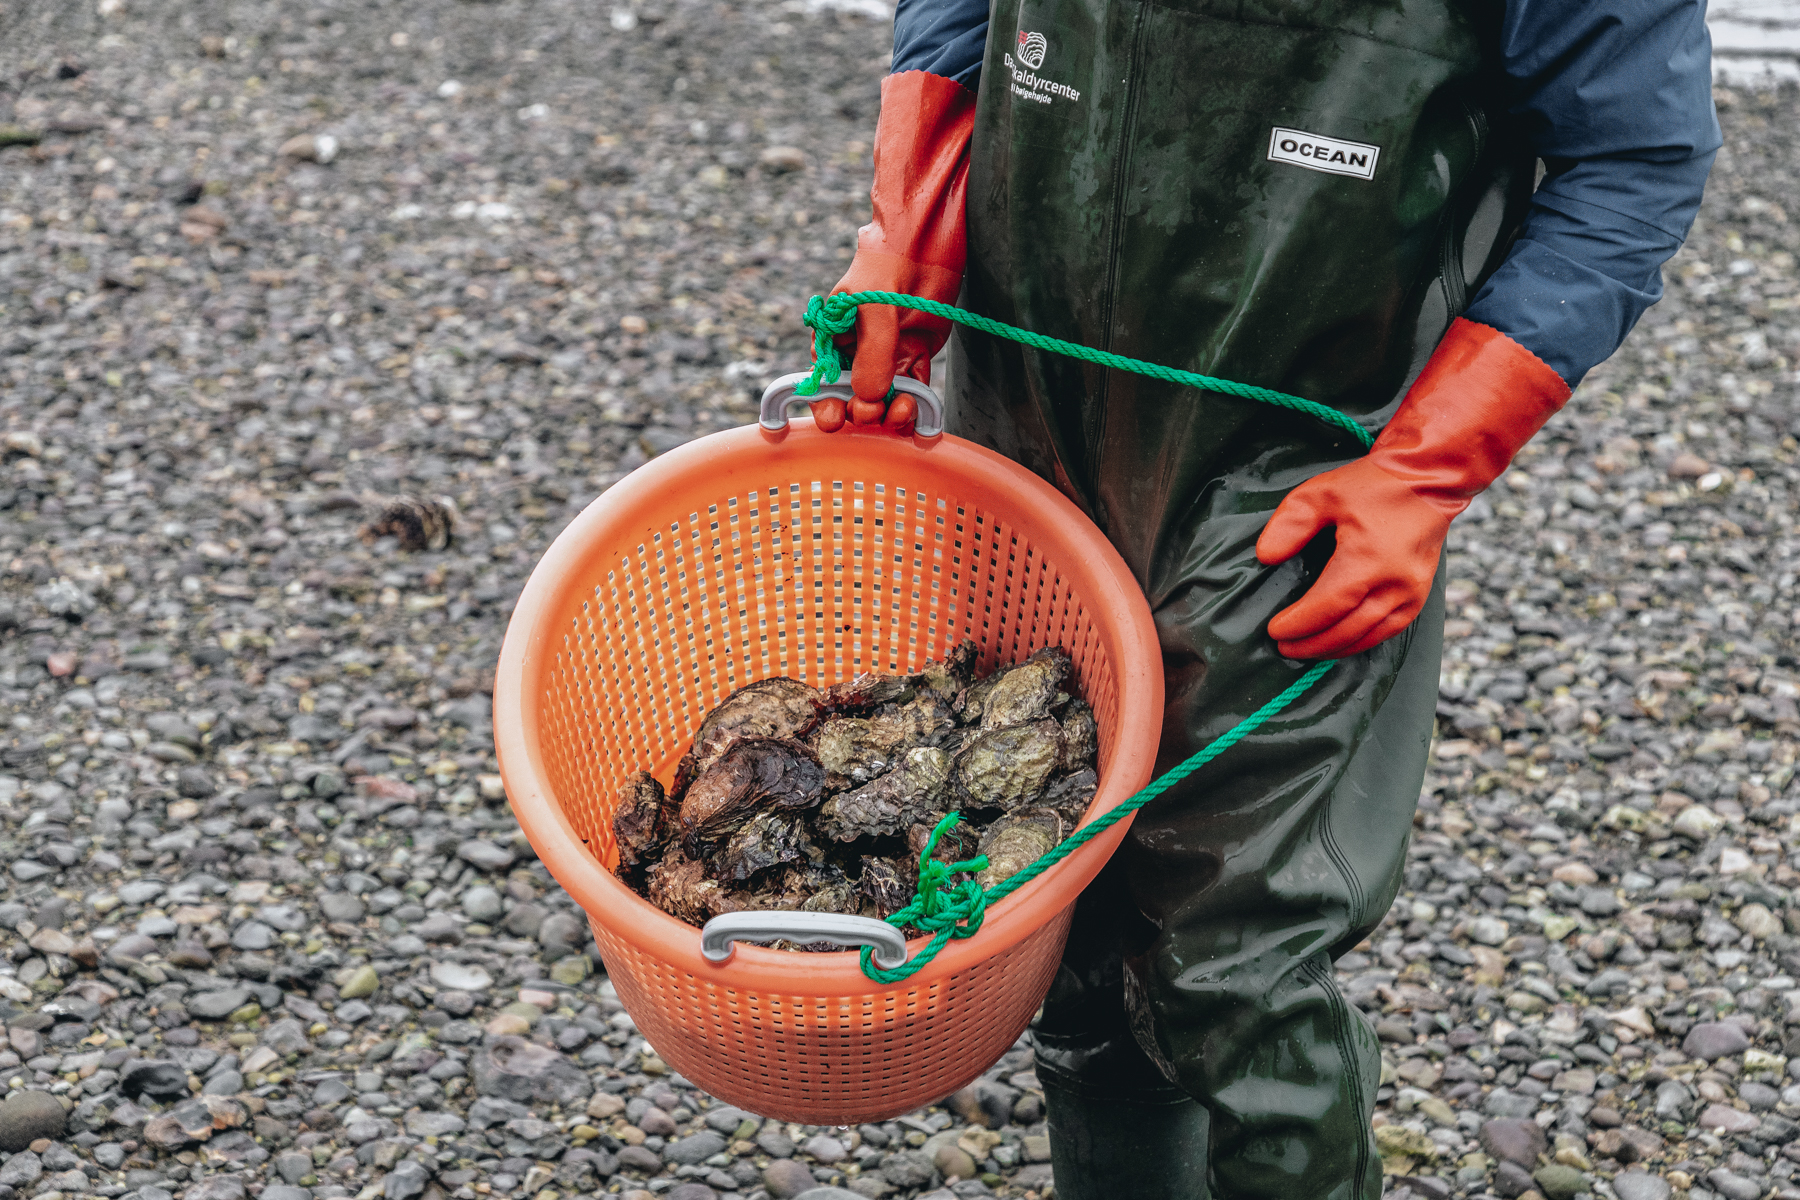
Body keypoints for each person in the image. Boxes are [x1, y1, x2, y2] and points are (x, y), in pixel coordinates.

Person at [810, 0, 1719, 1194]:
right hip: (1026, 396)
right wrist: (913, 218)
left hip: (1297, 463)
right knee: (1048, 904)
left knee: (1234, 961)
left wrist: (1428, 465)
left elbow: (1633, 159)